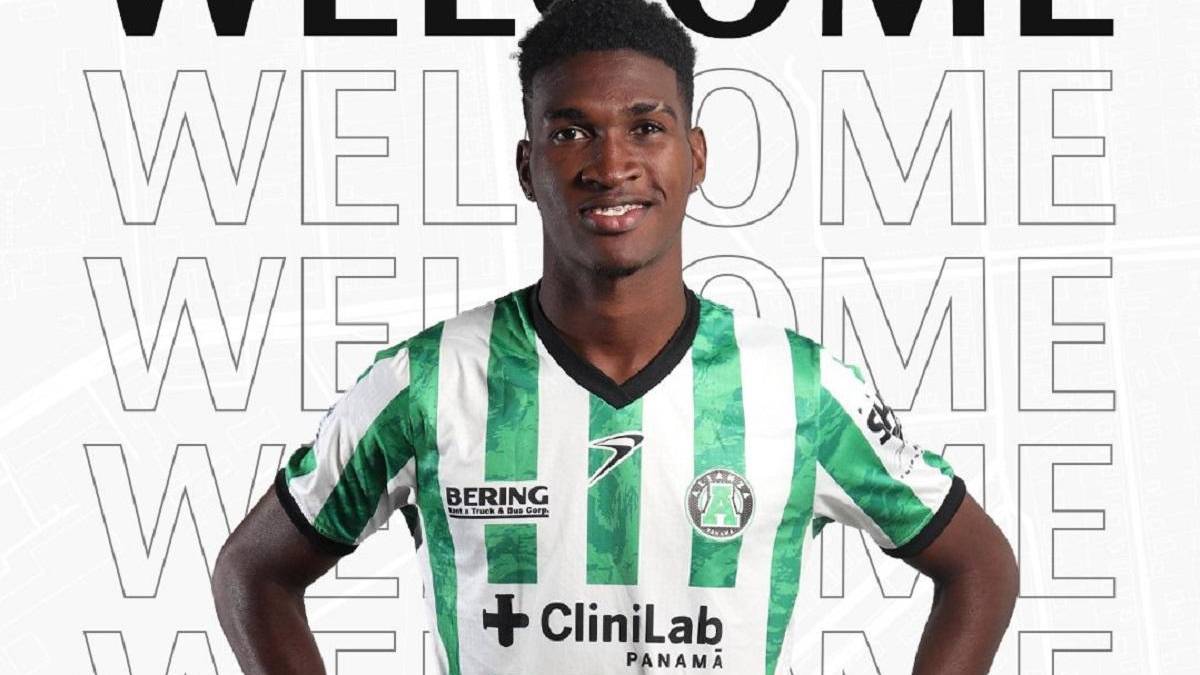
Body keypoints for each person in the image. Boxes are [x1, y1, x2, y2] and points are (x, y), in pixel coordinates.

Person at [212, 0, 1018, 673]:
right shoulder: (427, 382)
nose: (611, 164)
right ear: (527, 167)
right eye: (571, 133)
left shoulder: (800, 389)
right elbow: (255, 570)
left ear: (695, 156)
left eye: (646, 128)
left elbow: (978, 567)